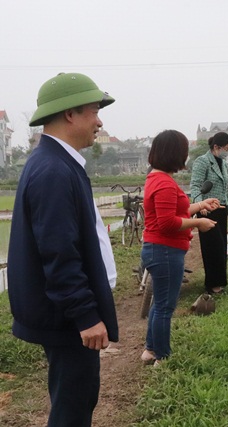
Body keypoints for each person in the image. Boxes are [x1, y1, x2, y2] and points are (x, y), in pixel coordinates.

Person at [7, 72, 119, 426]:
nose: (99, 121)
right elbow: (58, 252)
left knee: (78, 398)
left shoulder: (57, 163)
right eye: (93, 112)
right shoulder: (54, 170)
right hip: (67, 319)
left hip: (65, 315)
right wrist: (85, 315)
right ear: (70, 114)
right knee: (72, 407)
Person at [140, 130, 220, 366]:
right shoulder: (164, 183)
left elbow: (172, 213)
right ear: (174, 153)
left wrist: (199, 205)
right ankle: (162, 358)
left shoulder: (156, 178)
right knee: (165, 307)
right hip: (164, 250)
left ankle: (151, 350)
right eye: (184, 151)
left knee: (160, 302)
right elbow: (167, 223)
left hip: (159, 249)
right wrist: (199, 222)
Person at [190, 131, 228, 295]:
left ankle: (220, 282)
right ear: (216, 147)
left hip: (221, 210)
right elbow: (196, 186)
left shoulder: (225, 164)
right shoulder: (202, 162)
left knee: (221, 248)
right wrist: (199, 205)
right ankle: (211, 284)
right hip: (206, 211)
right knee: (212, 248)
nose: (227, 152)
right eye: (226, 148)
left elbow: (226, 191)